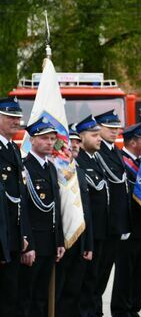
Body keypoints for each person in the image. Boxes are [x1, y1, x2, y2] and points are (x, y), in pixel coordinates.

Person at [19, 118, 65, 316]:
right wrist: (28, 245)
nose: (49, 142)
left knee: (41, 297)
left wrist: (59, 240)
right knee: (26, 297)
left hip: (49, 243)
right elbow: (23, 210)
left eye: (52, 138)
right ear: (32, 140)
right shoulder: (24, 167)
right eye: (44, 138)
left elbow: (56, 208)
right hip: (33, 244)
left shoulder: (51, 168)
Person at [93, 110, 132, 316]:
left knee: (105, 272)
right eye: (110, 128)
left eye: (116, 127)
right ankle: (95, 312)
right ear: (98, 128)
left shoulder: (116, 151)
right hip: (105, 224)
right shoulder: (98, 153)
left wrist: (125, 222)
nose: (114, 131)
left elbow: (122, 190)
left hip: (117, 224)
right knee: (96, 275)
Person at [111, 122, 141, 317]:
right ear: (133, 141)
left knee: (140, 272)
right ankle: (121, 310)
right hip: (127, 228)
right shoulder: (119, 161)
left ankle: (133, 308)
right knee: (124, 273)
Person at [0, 96, 34, 317]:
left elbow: (20, 198)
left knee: (11, 298)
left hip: (12, 239)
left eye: (18, 117)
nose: (16, 121)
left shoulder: (14, 149)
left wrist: (25, 237)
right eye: (10, 117)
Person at [56, 123, 94, 316]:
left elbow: (86, 211)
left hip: (79, 243)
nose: (75, 145)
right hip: (61, 244)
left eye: (78, 141)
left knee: (73, 292)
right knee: (58, 293)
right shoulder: (56, 171)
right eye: (71, 141)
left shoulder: (79, 172)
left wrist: (89, 244)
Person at [75, 114, 109, 316]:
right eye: (94, 135)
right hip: (88, 233)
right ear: (81, 137)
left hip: (101, 231)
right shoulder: (78, 162)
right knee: (85, 283)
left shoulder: (97, 160)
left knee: (97, 280)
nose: (99, 138)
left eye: (99, 135)